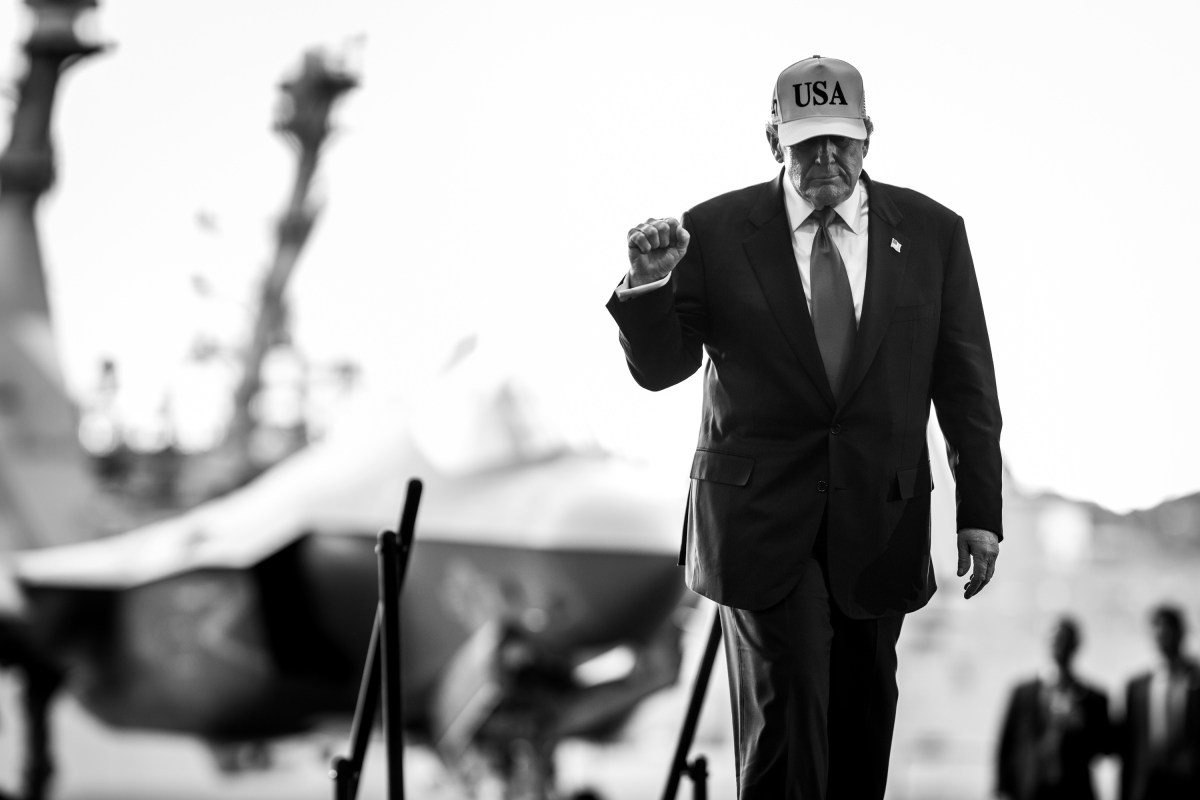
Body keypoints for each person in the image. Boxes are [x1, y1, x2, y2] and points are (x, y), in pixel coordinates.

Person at [605, 55, 1003, 800]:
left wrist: (980, 512)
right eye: (806, 142)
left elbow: (965, 380)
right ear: (772, 139)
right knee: (789, 715)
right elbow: (662, 368)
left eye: (840, 142)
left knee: (861, 723)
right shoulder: (712, 232)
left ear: (868, 138)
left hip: (878, 521)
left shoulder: (932, 233)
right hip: (760, 524)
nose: (825, 158)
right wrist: (651, 285)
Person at [995, 616, 1111, 800]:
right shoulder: (1023, 693)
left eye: (1065, 641)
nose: (1060, 647)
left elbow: (1104, 749)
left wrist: (1080, 724)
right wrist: (1002, 788)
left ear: (1076, 646)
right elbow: (1006, 743)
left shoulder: (1093, 698)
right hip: (1029, 788)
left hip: (1074, 790)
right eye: (1056, 640)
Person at [1118, 604, 1200, 800]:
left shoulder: (1195, 679)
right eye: (1158, 629)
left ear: (1181, 633)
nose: (1162, 635)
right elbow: (1129, 745)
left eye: (1168, 629)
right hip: (1148, 784)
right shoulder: (1137, 686)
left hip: (1189, 781)